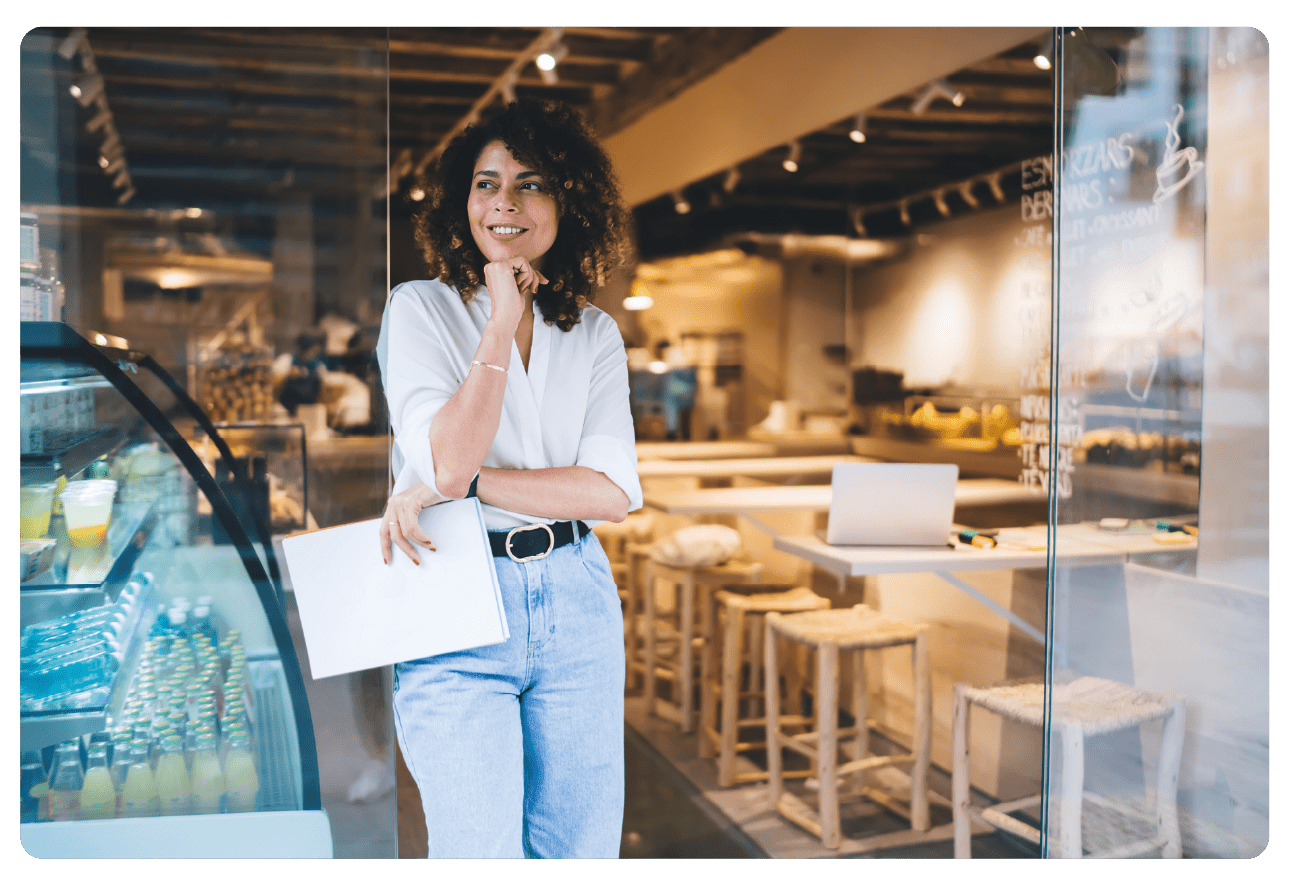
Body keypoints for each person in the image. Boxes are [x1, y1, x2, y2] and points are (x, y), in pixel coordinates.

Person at [374, 98, 642, 859]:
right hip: (454, 598)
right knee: (476, 849)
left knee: (580, 848)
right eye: (487, 183)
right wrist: (498, 319)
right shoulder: (420, 309)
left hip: (575, 595)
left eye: (530, 184)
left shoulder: (592, 332)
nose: (505, 203)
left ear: (568, 203)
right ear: (464, 202)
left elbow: (610, 493)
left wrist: (466, 482)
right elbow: (447, 458)